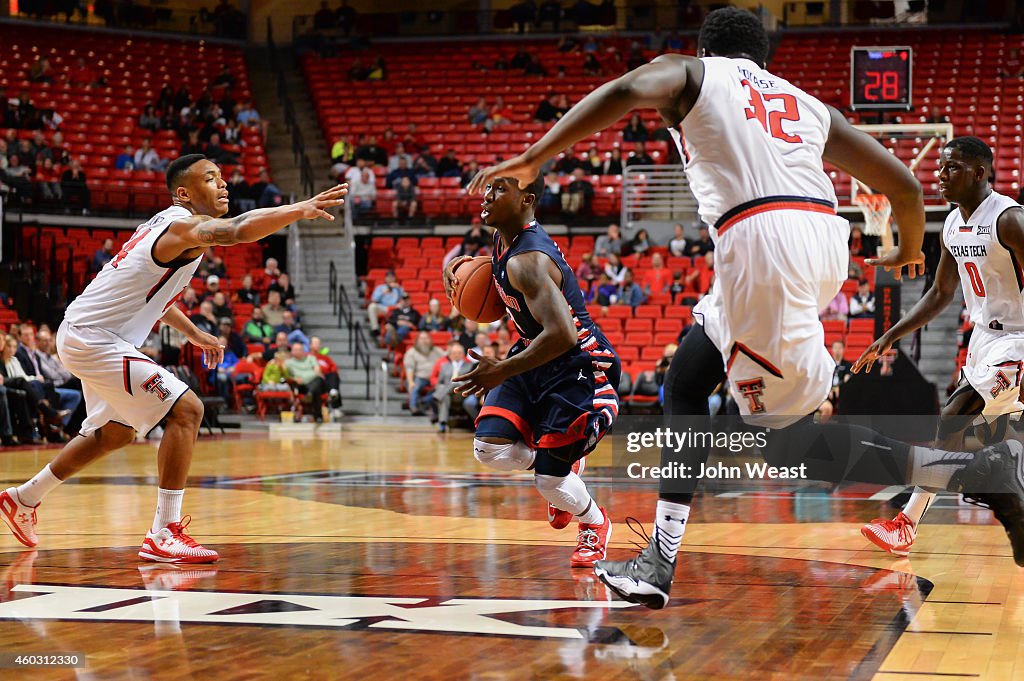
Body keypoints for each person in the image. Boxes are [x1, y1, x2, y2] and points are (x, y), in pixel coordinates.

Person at [465, 7, 1024, 605]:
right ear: (764, 58)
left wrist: (534, 157)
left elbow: (628, 88)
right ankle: (659, 559)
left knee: (788, 444)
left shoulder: (695, 74)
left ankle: (974, 472)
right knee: (685, 380)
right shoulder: (806, 103)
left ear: (706, 49)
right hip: (812, 239)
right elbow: (906, 189)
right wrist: (910, 250)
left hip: (760, 242)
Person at [0, 154, 346, 563]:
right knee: (187, 410)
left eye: (222, 178)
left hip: (91, 335)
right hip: (94, 339)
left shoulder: (170, 229)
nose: (223, 185)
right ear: (184, 193)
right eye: (210, 178)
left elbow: (154, 297)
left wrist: (196, 334)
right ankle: (163, 532)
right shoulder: (183, 225)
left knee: (116, 432)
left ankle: (23, 498)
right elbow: (236, 230)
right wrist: (297, 209)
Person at [857, 138, 1024, 557]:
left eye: (952, 168)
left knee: (954, 417)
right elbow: (939, 292)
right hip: (985, 338)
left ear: (980, 173)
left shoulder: (1009, 220)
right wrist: (891, 334)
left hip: (1019, 338)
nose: (941, 176)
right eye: (941, 167)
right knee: (968, 429)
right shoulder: (952, 224)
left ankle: (906, 524)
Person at [443, 176, 619, 568]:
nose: (487, 195)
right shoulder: (505, 237)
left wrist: (500, 370)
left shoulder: (529, 261)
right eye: (488, 187)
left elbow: (563, 335)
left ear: (526, 199)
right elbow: (495, 281)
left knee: (549, 481)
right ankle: (565, 465)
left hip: (579, 363)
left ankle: (595, 522)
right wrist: (456, 272)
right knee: (489, 448)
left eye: (499, 188)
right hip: (535, 352)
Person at [431, 341, 480, 432]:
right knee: (445, 396)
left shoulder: (470, 366)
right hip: (448, 394)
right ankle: (443, 424)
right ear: (450, 354)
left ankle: (436, 397)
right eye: (454, 353)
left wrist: (457, 385)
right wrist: (441, 387)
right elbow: (439, 382)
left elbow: (471, 381)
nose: (456, 355)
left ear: (463, 354)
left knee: (455, 384)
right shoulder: (444, 366)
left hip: (462, 392)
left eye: (459, 353)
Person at [285, 342, 328, 422]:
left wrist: (311, 376)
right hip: (301, 385)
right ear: (292, 351)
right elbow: (286, 376)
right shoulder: (288, 363)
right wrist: (294, 379)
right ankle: (318, 416)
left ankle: (310, 394)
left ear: (303, 351)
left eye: (299, 349)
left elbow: (317, 371)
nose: (297, 351)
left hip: (314, 382)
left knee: (318, 381)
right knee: (316, 390)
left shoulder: (311, 358)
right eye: (295, 350)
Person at [404, 331, 443, 415]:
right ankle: (413, 407)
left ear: (430, 340)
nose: (424, 341)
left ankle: (423, 402)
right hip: (420, 377)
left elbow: (447, 360)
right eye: (422, 339)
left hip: (436, 377)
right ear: (417, 340)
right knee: (414, 386)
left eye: (426, 338)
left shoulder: (437, 351)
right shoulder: (412, 352)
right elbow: (409, 368)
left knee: (443, 388)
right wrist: (410, 382)